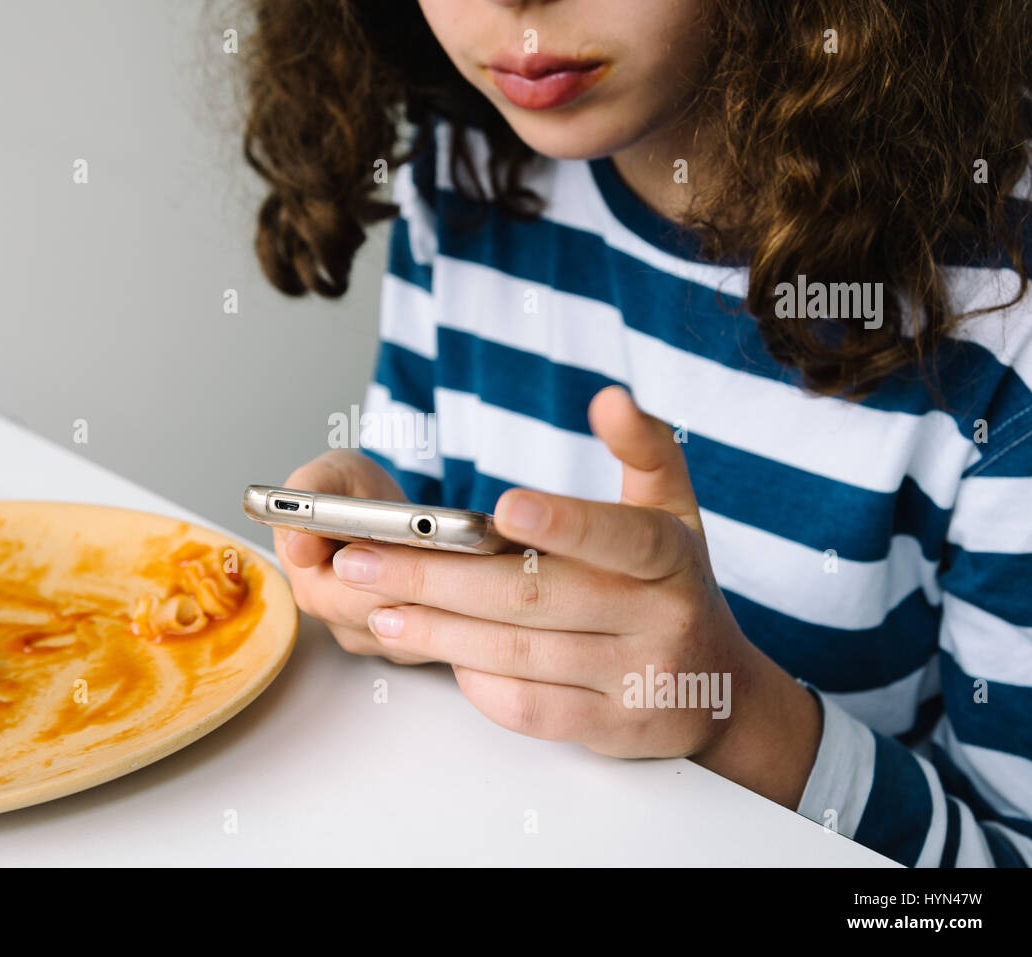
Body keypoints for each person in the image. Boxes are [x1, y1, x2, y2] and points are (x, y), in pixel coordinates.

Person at [239, 0, 1032, 867]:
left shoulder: (1004, 309)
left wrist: (732, 716)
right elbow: (429, 523)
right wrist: (382, 571)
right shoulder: (466, 159)